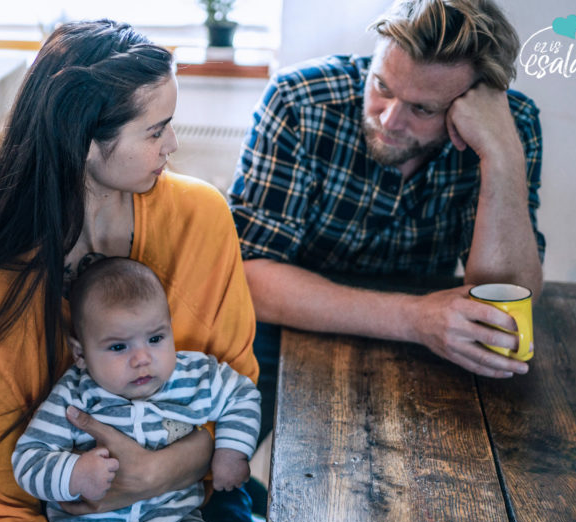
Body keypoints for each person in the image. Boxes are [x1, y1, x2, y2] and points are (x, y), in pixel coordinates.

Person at [0, 20, 261, 522]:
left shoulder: (202, 218)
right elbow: (6, 503)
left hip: (194, 512)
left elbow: (239, 394)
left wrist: (152, 474)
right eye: (155, 131)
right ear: (85, 141)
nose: (173, 144)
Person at [229, 0, 545, 404]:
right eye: (382, 86)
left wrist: (501, 155)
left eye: (422, 108)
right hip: (289, 320)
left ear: (474, 101)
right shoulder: (299, 102)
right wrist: (412, 318)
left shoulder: (510, 128)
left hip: (431, 337)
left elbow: (508, 297)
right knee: (219, 452)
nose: (390, 120)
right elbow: (249, 279)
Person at [13, 257, 261, 522]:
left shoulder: (191, 376)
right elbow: (27, 460)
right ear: (81, 353)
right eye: (118, 347)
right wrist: (74, 473)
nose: (142, 359)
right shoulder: (74, 396)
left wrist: (231, 451)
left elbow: (241, 394)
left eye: (155, 339)